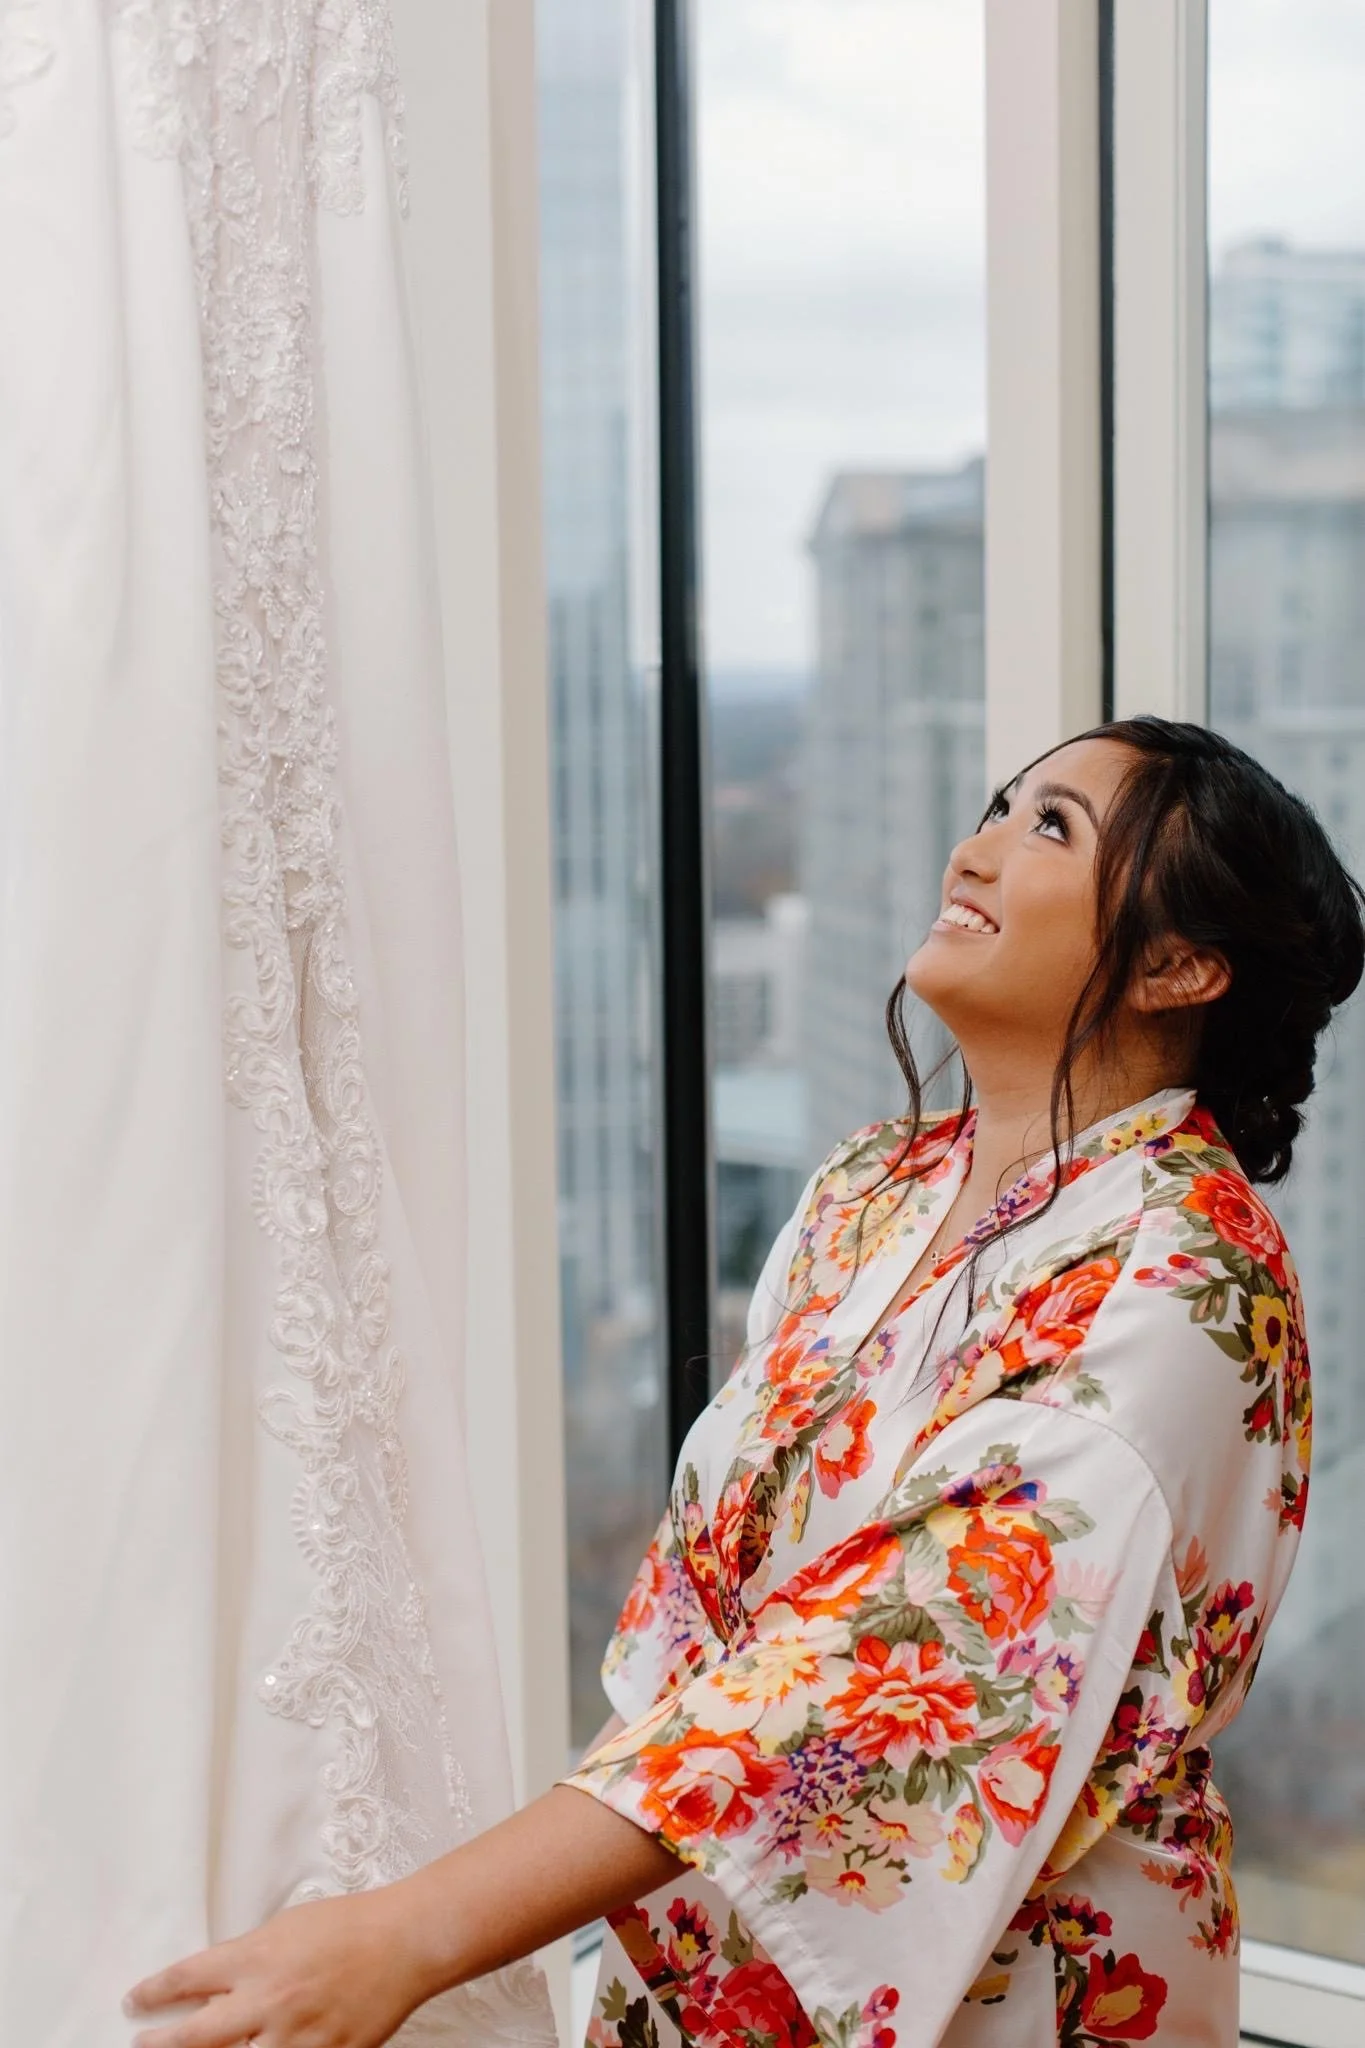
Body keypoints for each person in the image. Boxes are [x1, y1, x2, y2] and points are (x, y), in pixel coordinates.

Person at [125, 717, 1364, 2048]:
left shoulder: (1186, 1274)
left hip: (1019, 1986)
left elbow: (894, 1655)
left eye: (1051, 827)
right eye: (999, 810)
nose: (977, 850)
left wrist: (419, 1933)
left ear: (1178, 966)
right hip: (707, 1924)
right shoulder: (870, 1188)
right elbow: (703, 1607)